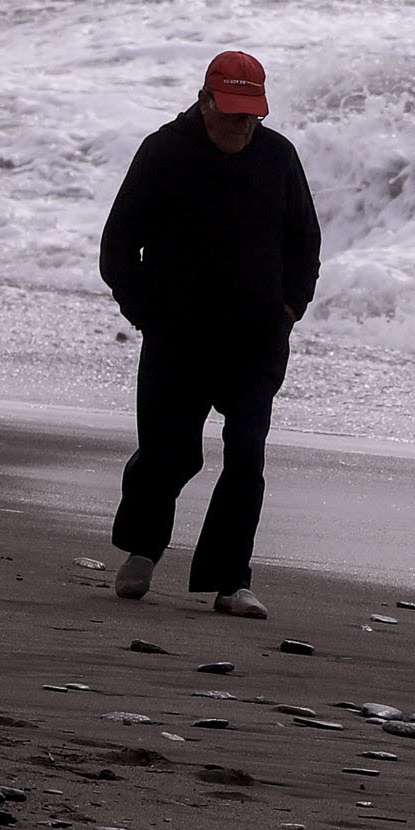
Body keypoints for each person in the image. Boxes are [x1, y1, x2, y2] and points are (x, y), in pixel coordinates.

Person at [99, 49, 320, 616]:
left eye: (252, 115)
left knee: (246, 456)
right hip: (178, 336)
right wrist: (145, 312)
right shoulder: (164, 152)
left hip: (256, 339)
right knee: (169, 455)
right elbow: (118, 245)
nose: (242, 125)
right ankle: (144, 550)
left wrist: (290, 308)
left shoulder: (278, 158)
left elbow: (305, 242)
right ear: (204, 101)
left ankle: (230, 580)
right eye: (231, 113)